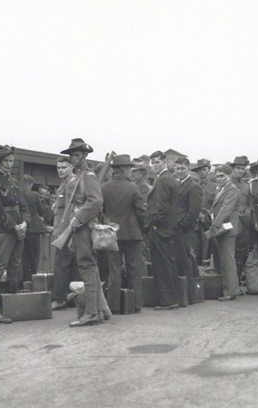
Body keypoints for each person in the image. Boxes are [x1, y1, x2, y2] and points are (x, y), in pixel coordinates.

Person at [59, 138, 106, 327]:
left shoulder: (87, 176)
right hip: (77, 227)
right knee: (90, 268)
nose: (74, 158)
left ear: (85, 156)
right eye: (72, 155)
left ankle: (91, 313)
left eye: (77, 155)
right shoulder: (78, 176)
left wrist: (78, 221)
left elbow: (96, 201)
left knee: (86, 268)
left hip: (84, 226)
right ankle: (96, 312)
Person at [0, 145, 31, 324]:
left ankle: (11, 307)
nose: (9, 164)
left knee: (15, 266)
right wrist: (15, 227)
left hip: (19, 229)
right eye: (5, 161)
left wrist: (25, 224)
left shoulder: (14, 182)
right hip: (4, 230)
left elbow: (24, 206)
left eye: (11, 161)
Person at [101, 154, 147, 314]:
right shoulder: (133, 188)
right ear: (124, 169)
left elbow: (101, 212)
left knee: (114, 271)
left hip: (112, 235)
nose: (131, 171)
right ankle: (135, 304)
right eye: (129, 168)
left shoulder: (104, 187)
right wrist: (142, 228)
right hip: (132, 234)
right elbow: (141, 212)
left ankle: (113, 305)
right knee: (135, 269)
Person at [146, 150, 181, 310]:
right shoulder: (169, 179)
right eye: (152, 163)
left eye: (157, 162)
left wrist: (154, 223)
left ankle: (167, 300)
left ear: (164, 162)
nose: (154, 166)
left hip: (161, 228)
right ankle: (174, 298)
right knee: (168, 262)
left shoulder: (162, 180)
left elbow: (161, 206)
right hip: (169, 227)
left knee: (161, 264)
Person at [208, 164, 241, 301]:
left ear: (229, 176)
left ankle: (231, 291)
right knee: (223, 260)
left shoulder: (232, 190)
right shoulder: (220, 189)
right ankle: (228, 289)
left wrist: (214, 225)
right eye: (217, 176)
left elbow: (226, 209)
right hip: (222, 229)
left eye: (222, 176)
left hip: (227, 229)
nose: (219, 178)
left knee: (228, 261)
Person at [50, 156, 79, 311]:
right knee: (71, 265)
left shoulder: (72, 183)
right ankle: (73, 297)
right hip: (63, 231)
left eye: (64, 167)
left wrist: (66, 233)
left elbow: (70, 210)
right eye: (59, 168)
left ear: (71, 167)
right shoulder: (64, 184)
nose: (60, 170)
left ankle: (60, 298)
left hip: (66, 232)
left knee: (61, 265)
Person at [174, 156, 202, 292]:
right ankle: (190, 288)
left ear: (188, 169)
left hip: (185, 229)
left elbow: (194, 212)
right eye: (177, 168)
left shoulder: (193, 186)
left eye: (183, 168)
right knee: (182, 258)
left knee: (186, 258)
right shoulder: (177, 183)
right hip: (177, 228)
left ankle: (192, 289)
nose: (179, 171)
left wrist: (182, 225)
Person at [21, 174, 50, 280]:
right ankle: (33, 279)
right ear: (29, 184)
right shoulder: (34, 195)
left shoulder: (18, 193)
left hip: (22, 229)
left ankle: (25, 279)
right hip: (34, 228)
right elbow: (42, 211)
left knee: (24, 257)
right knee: (34, 256)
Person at [230, 156, 252, 285]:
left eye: (243, 169)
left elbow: (250, 203)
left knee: (241, 252)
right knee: (229, 252)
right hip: (229, 223)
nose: (240, 171)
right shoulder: (226, 183)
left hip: (243, 223)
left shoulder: (246, 185)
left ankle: (237, 281)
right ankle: (230, 282)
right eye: (238, 168)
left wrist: (247, 214)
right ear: (233, 169)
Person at [191, 159, 217, 266]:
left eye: (204, 169)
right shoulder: (193, 185)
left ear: (209, 170)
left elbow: (216, 204)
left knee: (208, 250)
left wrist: (208, 214)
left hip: (209, 223)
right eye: (199, 170)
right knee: (196, 249)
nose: (202, 172)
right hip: (195, 222)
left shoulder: (215, 186)